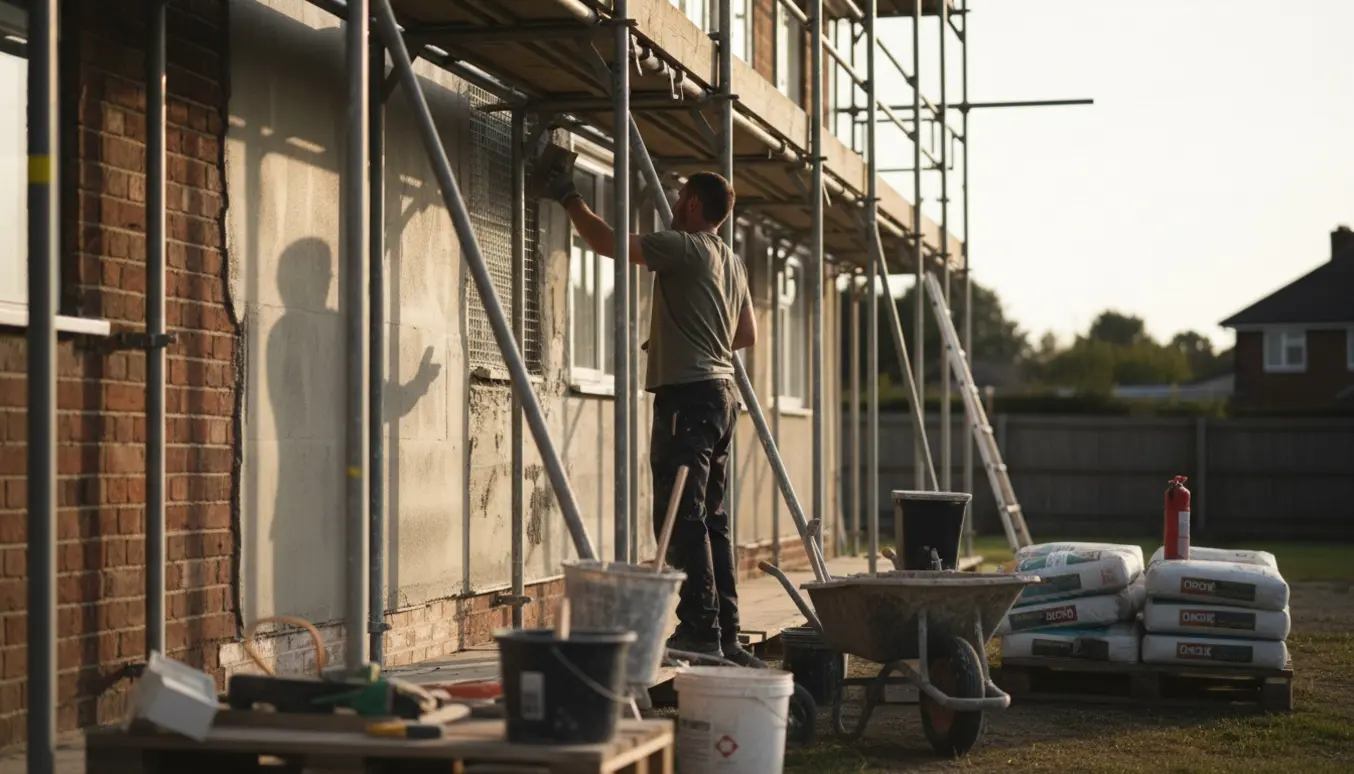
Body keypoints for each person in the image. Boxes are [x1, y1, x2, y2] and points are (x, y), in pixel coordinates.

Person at [548, 168, 762, 667]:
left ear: (691, 205)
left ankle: (699, 632)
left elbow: (607, 243)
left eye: (679, 195)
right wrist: (689, 340)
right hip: (722, 396)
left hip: (687, 400)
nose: (675, 202)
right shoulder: (732, 262)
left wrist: (568, 195)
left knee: (680, 515)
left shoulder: (684, 246)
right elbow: (745, 333)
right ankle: (725, 632)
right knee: (712, 519)